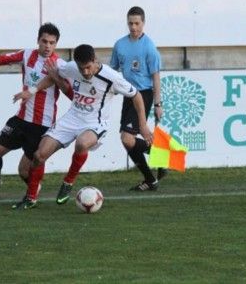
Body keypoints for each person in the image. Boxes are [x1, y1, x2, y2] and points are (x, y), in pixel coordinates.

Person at [12, 44, 153, 209]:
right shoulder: (72, 68)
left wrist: (143, 125)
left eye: (88, 67)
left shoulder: (111, 77)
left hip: (95, 122)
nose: (85, 72)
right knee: (38, 155)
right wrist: (32, 90)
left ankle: (68, 182)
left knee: (82, 143)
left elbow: (136, 95)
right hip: (71, 118)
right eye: (81, 68)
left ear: (95, 60)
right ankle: (30, 199)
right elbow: (53, 76)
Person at [0, 22, 72, 198]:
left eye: (52, 42)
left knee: (23, 171)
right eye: (44, 41)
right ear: (38, 40)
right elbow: (4, 58)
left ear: (56, 44)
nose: (47, 46)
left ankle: (33, 191)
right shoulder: (27, 55)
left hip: (41, 124)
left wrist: (55, 77)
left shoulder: (59, 64)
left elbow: (70, 92)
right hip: (20, 119)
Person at [110, 6, 167, 191]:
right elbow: (113, 71)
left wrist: (158, 103)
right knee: (128, 140)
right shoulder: (120, 45)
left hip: (143, 94)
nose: (133, 27)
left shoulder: (149, 47)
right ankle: (152, 177)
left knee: (127, 138)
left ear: (143, 23)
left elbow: (156, 77)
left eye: (137, 23)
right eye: (130, 23)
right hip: (128, 95)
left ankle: (159, 159)